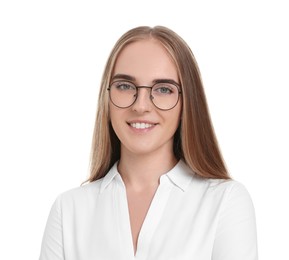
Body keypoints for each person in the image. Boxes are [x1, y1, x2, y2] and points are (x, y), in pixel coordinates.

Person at [39, 26, 258, 260]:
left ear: (187, 103)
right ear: (107, 96)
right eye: (125, 86)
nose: (141, 105)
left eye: (163, 89)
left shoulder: (225, 202)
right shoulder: (69, 210)